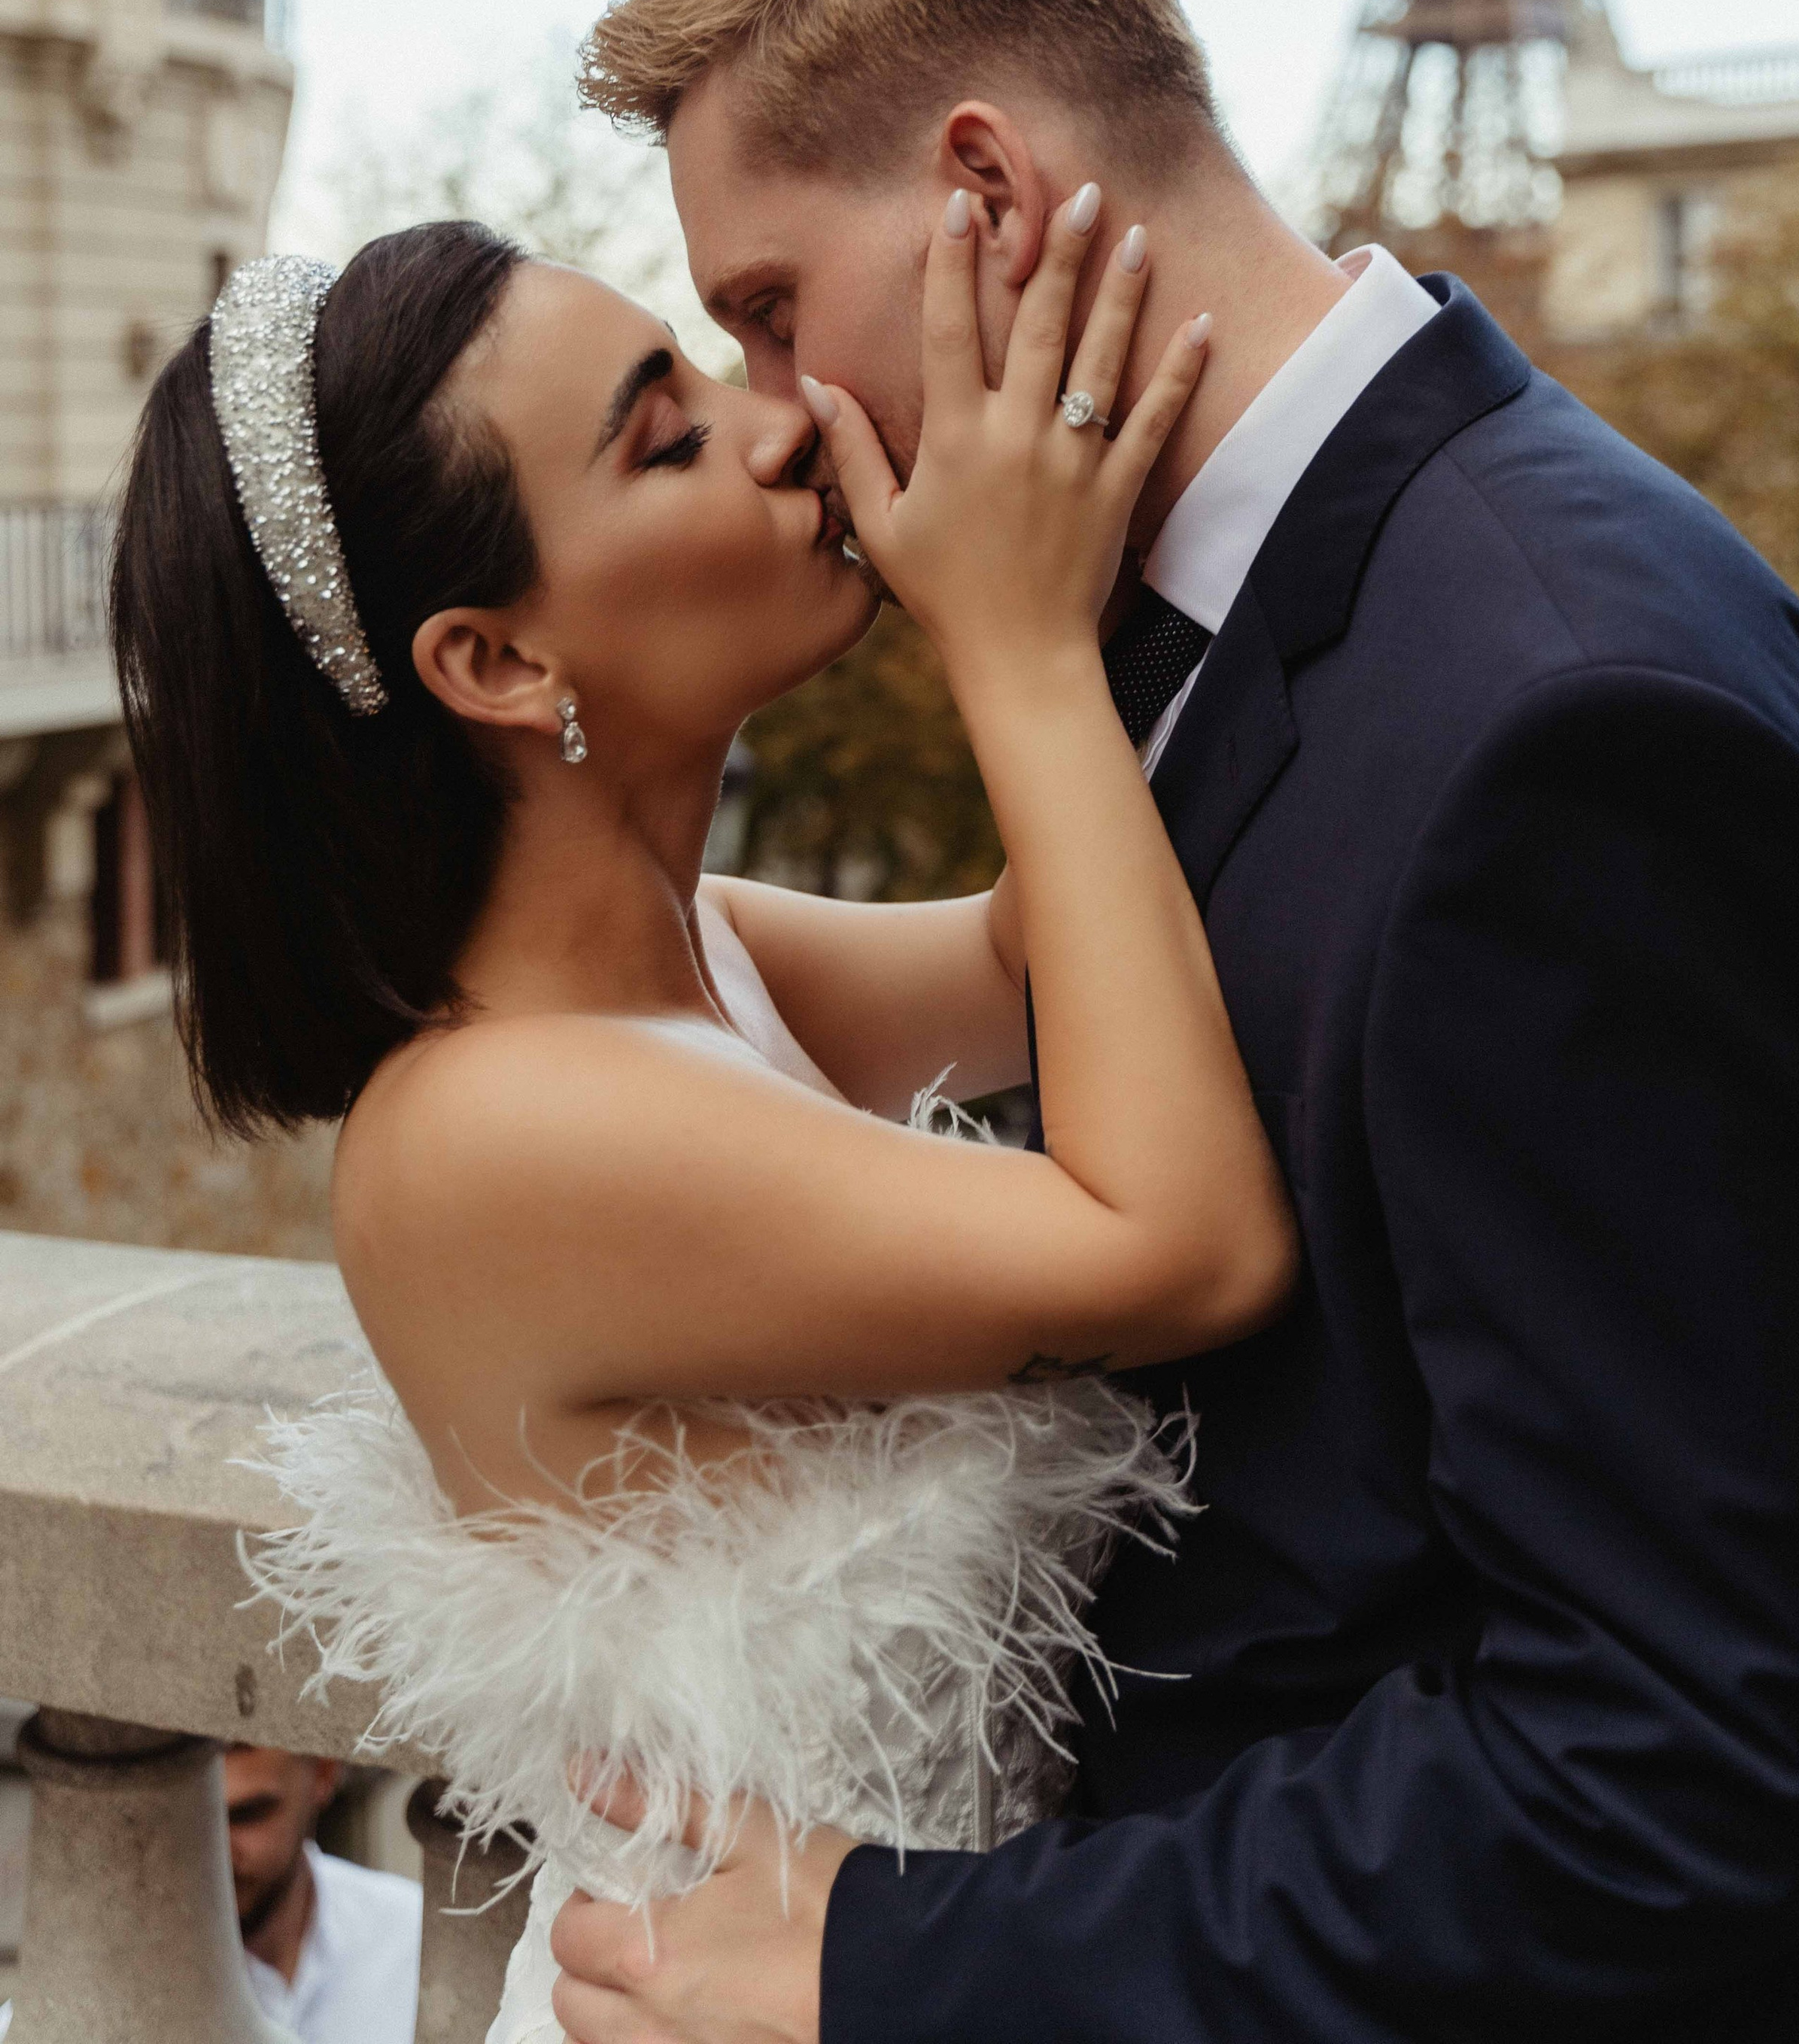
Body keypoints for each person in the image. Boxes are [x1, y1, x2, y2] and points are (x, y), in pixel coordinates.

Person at [542, 0, 1799, 2043]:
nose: (787, 422)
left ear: (983, 201)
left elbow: (1674, 1772)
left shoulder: (1556, 723)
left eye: (773, 313)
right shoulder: (1267, 622)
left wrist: (908, 1961)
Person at [111, 200, 1298, 2043]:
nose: (784, 424)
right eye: (667, 436)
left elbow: (1053, 945)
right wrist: (1015, 647)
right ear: (495, 664)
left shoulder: (705, 959)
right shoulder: (498, 1119)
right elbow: (1184, 1242)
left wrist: (1083, 490)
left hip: (921, 1970)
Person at [226, 1746, 421, 2044]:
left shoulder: (414, 1937)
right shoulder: (137, 1970)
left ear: (323, 1772)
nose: (219, 1850)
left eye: (248, 1814)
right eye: (197, 1819)